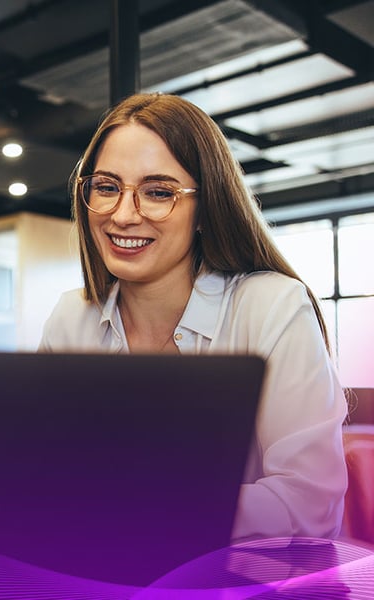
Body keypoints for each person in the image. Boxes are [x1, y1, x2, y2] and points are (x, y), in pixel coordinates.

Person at [39, 93, 347, 542]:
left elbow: (310, 506)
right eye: (106, 187)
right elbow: (46, 473)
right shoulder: (72, 316)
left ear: (205, 209)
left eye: (159, 192)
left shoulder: (271, 306)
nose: (123, 215)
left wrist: (146, 505)